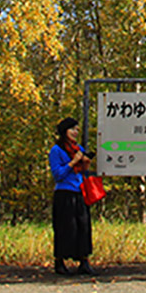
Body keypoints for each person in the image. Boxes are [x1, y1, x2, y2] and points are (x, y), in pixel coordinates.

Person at [48, 117, 95, 275]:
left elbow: (81, 172)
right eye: (72, 129)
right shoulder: (56, 150)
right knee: (65, 228)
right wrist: (72, 162)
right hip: (64, 193)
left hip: (79, 191)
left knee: (83, 226)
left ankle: (83, 261)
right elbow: (57, 174)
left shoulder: (78, 148)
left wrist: (85, 164)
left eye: (76, 129)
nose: (76, 132)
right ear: (64, 132)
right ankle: (60, 262)